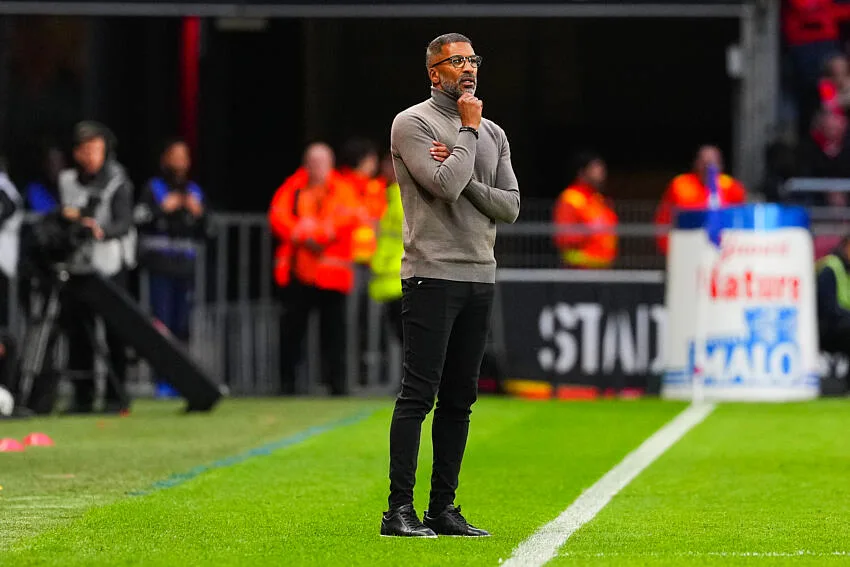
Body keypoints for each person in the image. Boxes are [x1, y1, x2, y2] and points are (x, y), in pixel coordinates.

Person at [382, 32, 520, 538]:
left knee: (461, 398)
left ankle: (443, 508)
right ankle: (398, 510)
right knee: (418, 393)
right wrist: (465, 132)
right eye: (455, 61)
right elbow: (440, 185)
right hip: (431, 273)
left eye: (472, 59)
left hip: (479, 273)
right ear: (433, 73)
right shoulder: (413, 123)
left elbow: (510, 206)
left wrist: (465, 168)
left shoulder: (495, 132)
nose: (468, 68)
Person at [268, 142, 362, 396]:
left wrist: (316, 233)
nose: (317, 167)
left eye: (321, 162)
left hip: (332, 276)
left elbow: (349, 216)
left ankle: (337, 385)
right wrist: (301, 233)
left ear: (330, 164)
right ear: (305, 163)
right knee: (291, 332)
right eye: (312, 162)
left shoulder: (342, 189)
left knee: (335, 334)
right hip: (299, 273)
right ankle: (286, 385)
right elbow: (278, 215)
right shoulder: (293, 187)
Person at [57, 121, 135, 414]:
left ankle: (117, 396)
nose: (91, 155)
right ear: (77, 153)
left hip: (110, 263)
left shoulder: (118, 180)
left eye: (96, 149)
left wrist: (101, 229)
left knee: (115, 331)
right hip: (77, 263)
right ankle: (83, 396)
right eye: (85, 150)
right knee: (79, 331)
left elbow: (124, 221)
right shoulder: (67, 180)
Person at [135, 138, 207, 398]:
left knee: (182, 325)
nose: (179, 162)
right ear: (165, 160)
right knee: (161, 324)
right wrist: (163, 209)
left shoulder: (194, 191)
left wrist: (198, 214)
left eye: (183, 157)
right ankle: (162, 380)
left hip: (185, 267)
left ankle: (182, 379)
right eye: (174, 156)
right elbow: (140, 218)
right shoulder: (154, 189)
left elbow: (207, 229)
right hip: (161, 264)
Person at [654, 145, 747, 255]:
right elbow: (664, 218)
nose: (708, 167)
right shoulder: (680, 184)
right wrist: (670, 249)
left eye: (712, 162)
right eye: (704, 162)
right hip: (687, 248)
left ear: (720, 165)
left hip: (723, 252)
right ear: (696, 163)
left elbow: (741, 222)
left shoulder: (732, 186)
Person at [552, 152, 618, 269]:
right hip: (578, 271)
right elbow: (563, 236)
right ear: (582, 172)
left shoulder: (599, 200)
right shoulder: (570, 198)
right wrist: (590, 232)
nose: (601, 173)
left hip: (602, 270)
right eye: (595, 168)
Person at [368, 152, 404, 344]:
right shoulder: (388, 194)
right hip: (390, 280)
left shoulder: (401, 196)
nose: (386, 169)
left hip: (399, 280)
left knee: (408, 342)